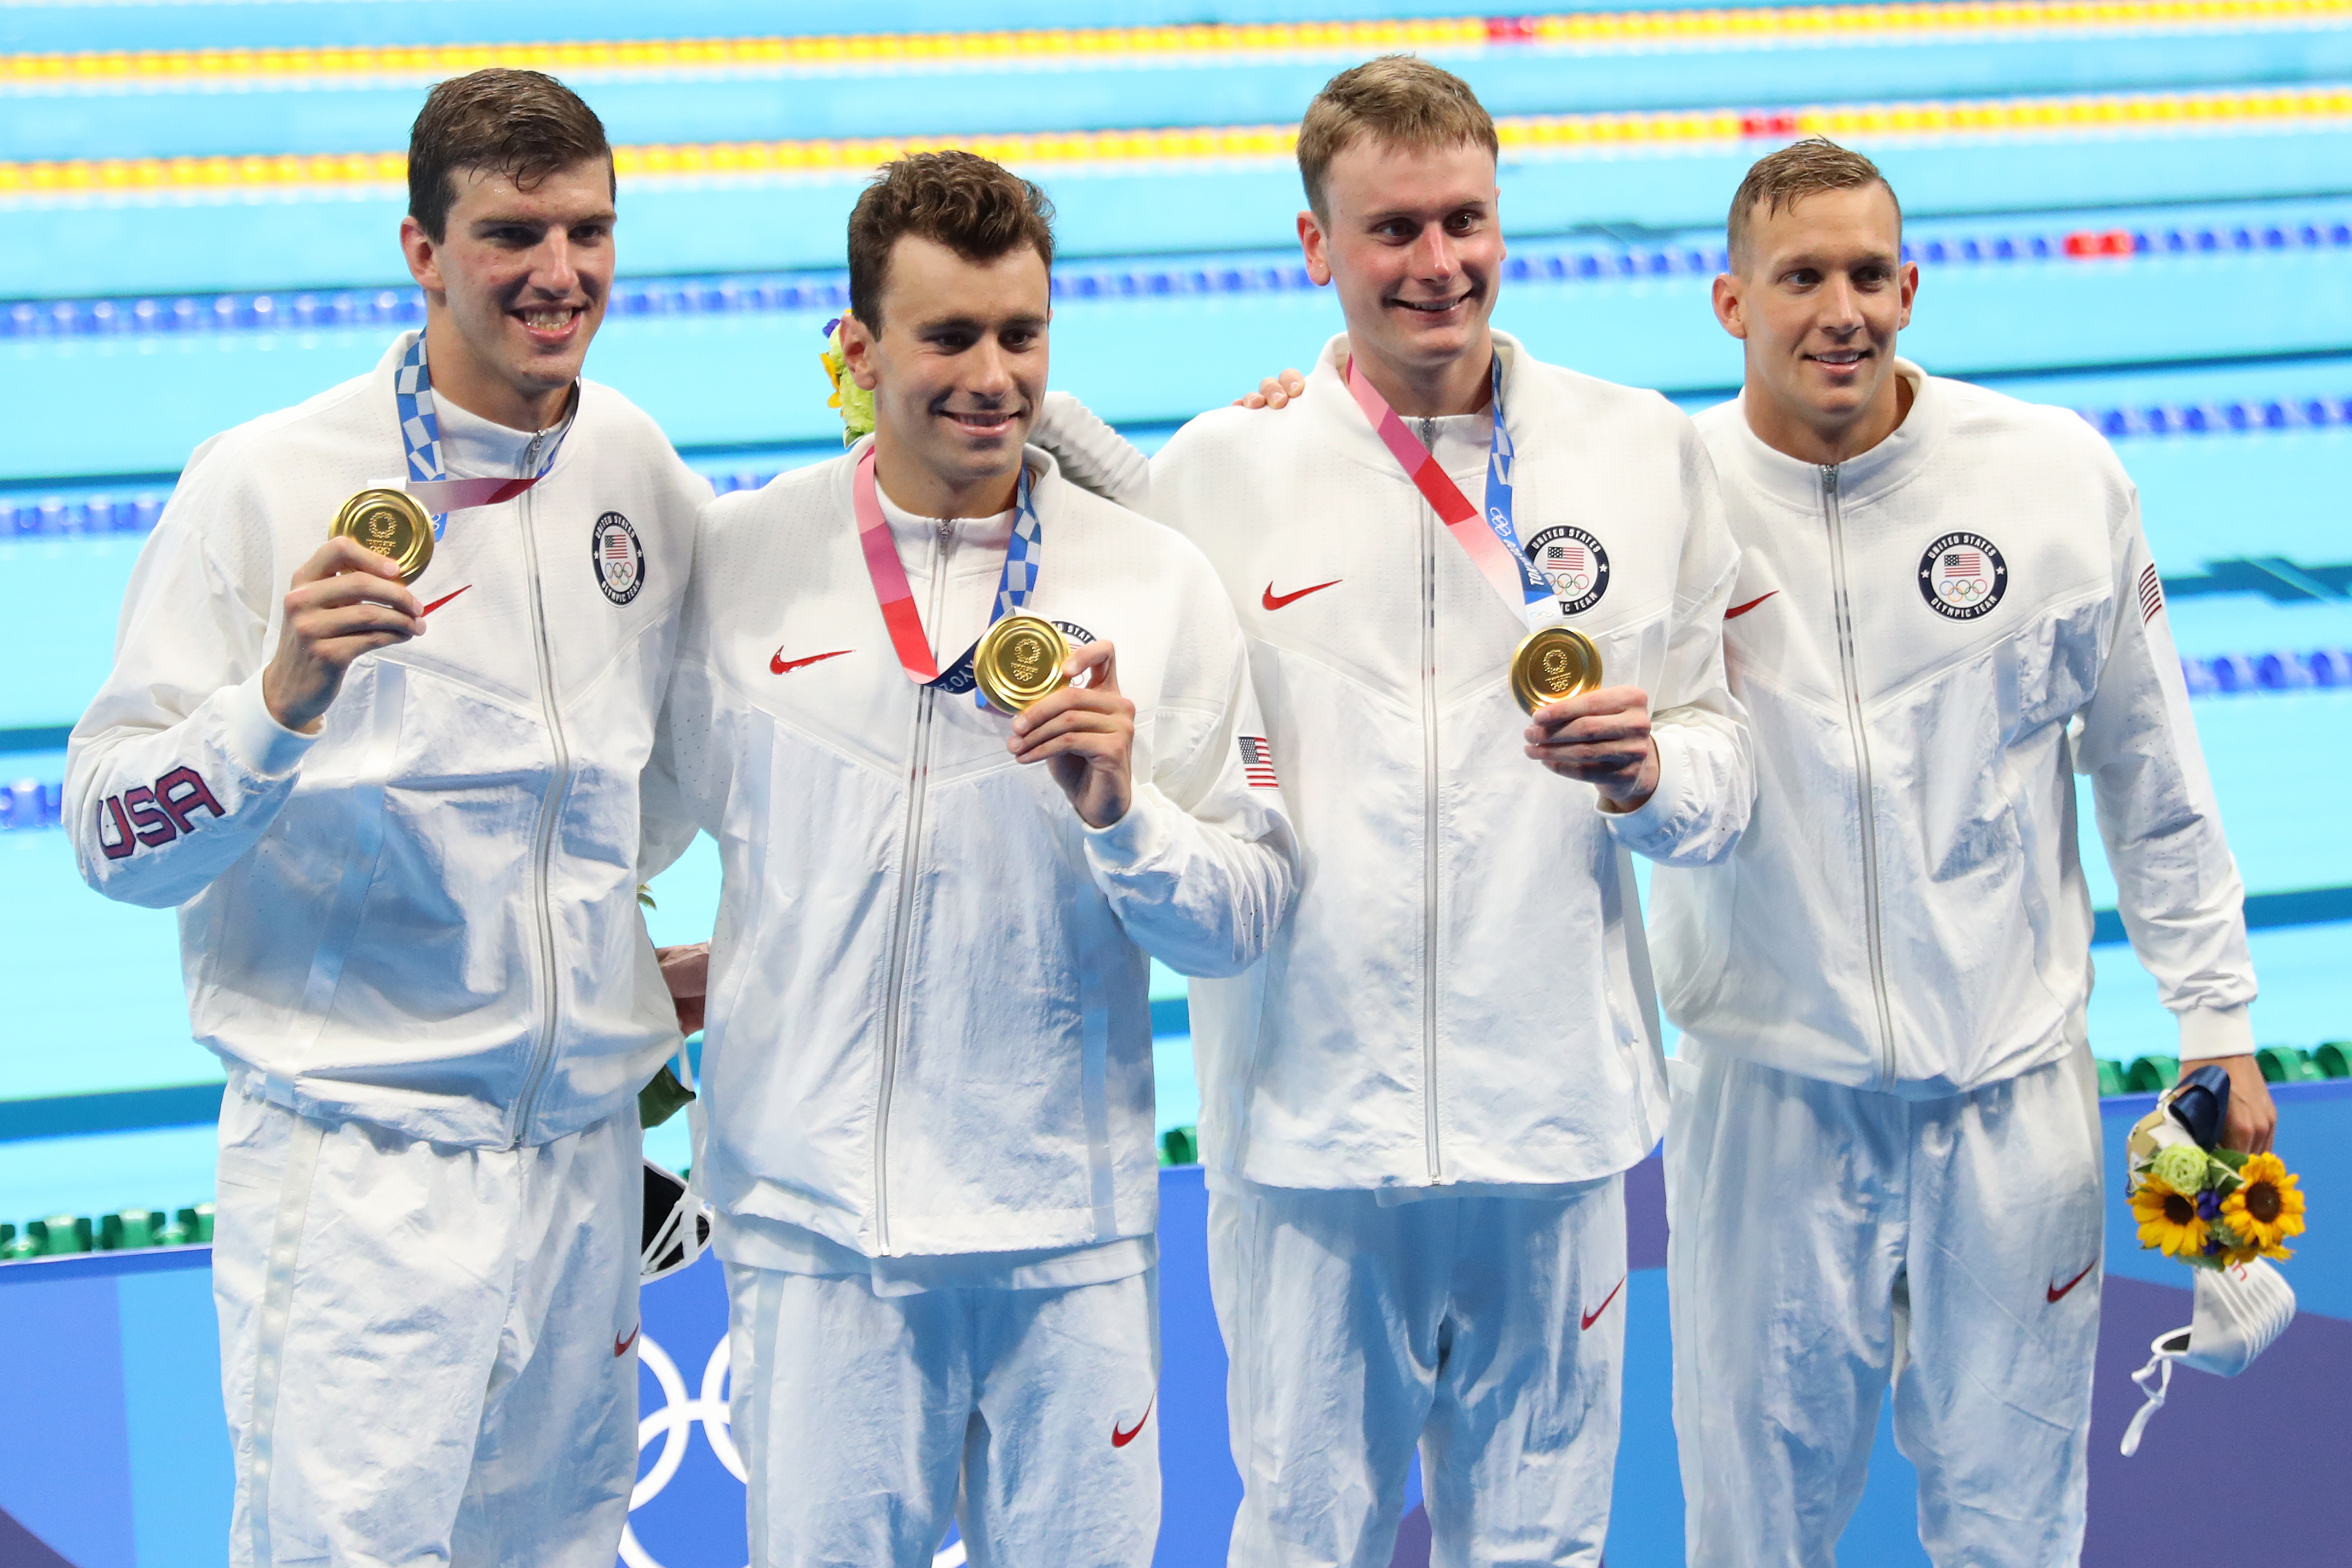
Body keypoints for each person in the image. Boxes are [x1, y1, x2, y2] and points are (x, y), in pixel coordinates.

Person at [1033, 56, 1751, 1568]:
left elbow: (1728, 777)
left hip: (1555, 1127)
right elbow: (1066, 518)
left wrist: (1656, 775)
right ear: (1317, 247)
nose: (1439, 265)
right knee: (1304, 1536)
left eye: (1465, 220)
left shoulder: (1640, 450)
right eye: (1393, 232)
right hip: (1309, 1135)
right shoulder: (1234, 468)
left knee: (1545, 1549)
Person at [63, 70, 710, 1566]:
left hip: (580, 1162)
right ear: (422, 252)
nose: (563, 274)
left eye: (591, 231)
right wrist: (277, 700)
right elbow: (107, 837)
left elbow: (670, 778)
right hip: (363, 1170)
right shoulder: (265, 484)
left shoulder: (633, 468)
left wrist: (594, 954)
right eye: (514, 235)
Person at [650, 150, 1298, 1567]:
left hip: (1066, 1239)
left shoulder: (1151, 578)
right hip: (820, 1242)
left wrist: (1124, 813)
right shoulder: (743, 560)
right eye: (949, 336)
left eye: (1022, 335)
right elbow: (630, 830)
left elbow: (1245, 914)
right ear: (861, 348)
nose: (992, 375)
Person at [1648, 137, 2275, 1566]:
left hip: (2010, 1098)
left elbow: (2152, 768)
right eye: (1800, 277)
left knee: (2017, 1525)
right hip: (1769, 1102)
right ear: (1732, 304)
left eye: (1869, 273)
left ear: (1915, 285)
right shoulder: (1661, 490)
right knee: (1753, 1531)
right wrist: (1308, 398)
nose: (1841, 311)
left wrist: (2218, 1021)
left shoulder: (2055, 479)